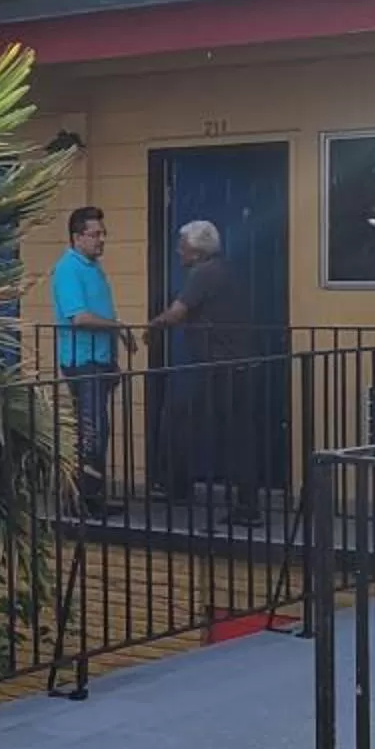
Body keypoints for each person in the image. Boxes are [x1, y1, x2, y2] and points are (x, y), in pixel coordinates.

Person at [149, 220, 250, 522]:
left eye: (182, 245)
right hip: (234, 362)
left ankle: (181, 487)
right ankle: (240, 501)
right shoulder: (224, 269)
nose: (178, 250)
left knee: (180, 416)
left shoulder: (203, 273)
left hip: (218, 364)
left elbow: (177, 312)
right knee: (233, 431)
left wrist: (153, 326)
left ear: (196, 249)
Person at [49, 205, 127, 513]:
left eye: (102, 233)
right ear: (77, 237)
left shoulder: (92, 267)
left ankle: (91, 495)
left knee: (97, 428)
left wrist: (113, 353)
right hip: (82, 361)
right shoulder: (68, 268)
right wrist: (118, 327)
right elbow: (79, 317)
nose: (101, 240)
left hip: (99, 359)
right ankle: (82, 499)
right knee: (90, 430)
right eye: (95, 234)